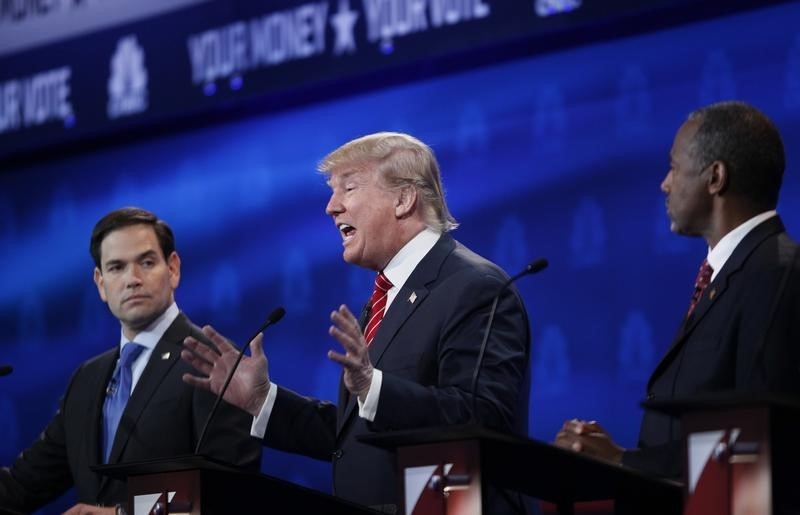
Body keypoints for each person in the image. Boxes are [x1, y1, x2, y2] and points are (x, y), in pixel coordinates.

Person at [181, 132, 533, 513]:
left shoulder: (475, 286)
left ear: (403, 199)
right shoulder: (390, 291)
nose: (331, 207)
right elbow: (356, 435)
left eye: (348, 188)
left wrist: (374, 386)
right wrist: (264, 401)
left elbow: (483, 418)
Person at [555, 101, 800, 479]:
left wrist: (623, 461)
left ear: (715, 177)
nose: (665, 183)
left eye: (673, 167)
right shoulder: (731, 272)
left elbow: (761, 442)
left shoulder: (778, 274)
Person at [0, 207, 261, 514]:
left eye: (146, 263)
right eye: (116, 268)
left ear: (173, 268)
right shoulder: (87, 378)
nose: (132, 279)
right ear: (100, 283)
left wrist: (124, 513)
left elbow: (230, 488)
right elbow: (21, 486)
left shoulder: (212, 361)